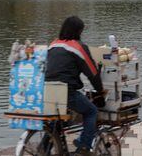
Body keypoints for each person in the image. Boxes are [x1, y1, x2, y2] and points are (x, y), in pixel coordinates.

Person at [45, 16, 106, 155]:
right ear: (78, 31)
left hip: (47, 88)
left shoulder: (53, 44)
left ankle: (44, 149)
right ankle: (84, 146)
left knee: (55, 120)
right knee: (91, 112)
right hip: (66, 89)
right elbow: (92, 73)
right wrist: (100, 91)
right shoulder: (78, 47)